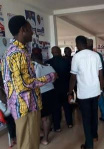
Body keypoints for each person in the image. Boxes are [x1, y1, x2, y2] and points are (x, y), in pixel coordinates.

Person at [1, 15, 56, 149]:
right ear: (23, 30)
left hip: (25, 105)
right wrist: (50, 77)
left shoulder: (14, 51)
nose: (32, 32)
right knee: (28, 144)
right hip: (25, 106)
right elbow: (24, 83)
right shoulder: (17, 53)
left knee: (29, 142)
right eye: (30, 29)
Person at [68, 36, 103, 149]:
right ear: (86, 43)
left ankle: (89, 145)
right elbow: (101, 75)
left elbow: (73, 77)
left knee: (86, 118)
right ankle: (94, 135)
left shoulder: (76, 57)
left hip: (83, 93)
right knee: (94, 115)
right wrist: (101, 90)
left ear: (77, 44)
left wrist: (69, 92)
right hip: (95, 91)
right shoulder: (96, 55)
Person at [45, 46, 73, 131]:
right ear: (60, 52)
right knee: (67, 106)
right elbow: (70, 75)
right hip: (65, 87)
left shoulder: (48, 63)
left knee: (56, 108)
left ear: (52, 52)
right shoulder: (66, 61)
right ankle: (69, 123)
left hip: (54, 89)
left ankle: (57, 127)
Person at [31, 51, 56, 145]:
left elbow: (36, 82)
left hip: (41, 94)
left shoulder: (36, 67)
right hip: (51, 92)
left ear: (33, 58)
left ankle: (43, 137)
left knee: (43, 117)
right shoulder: (49, 66)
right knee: (48, 116)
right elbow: (54, 79)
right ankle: (45, 138)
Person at [87, 39, 104, 123]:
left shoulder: (81, 55)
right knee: (100, 98)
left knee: (88, 100)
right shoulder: (98, 55)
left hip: (87, 82)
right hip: (97, 80)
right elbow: (101, 69)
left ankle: (90, 117)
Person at [0, 72, 16, 146]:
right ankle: (13, 137)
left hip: (5, 109)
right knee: (11, 118)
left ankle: (13, 137)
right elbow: (5, 100)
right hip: (5, 110)